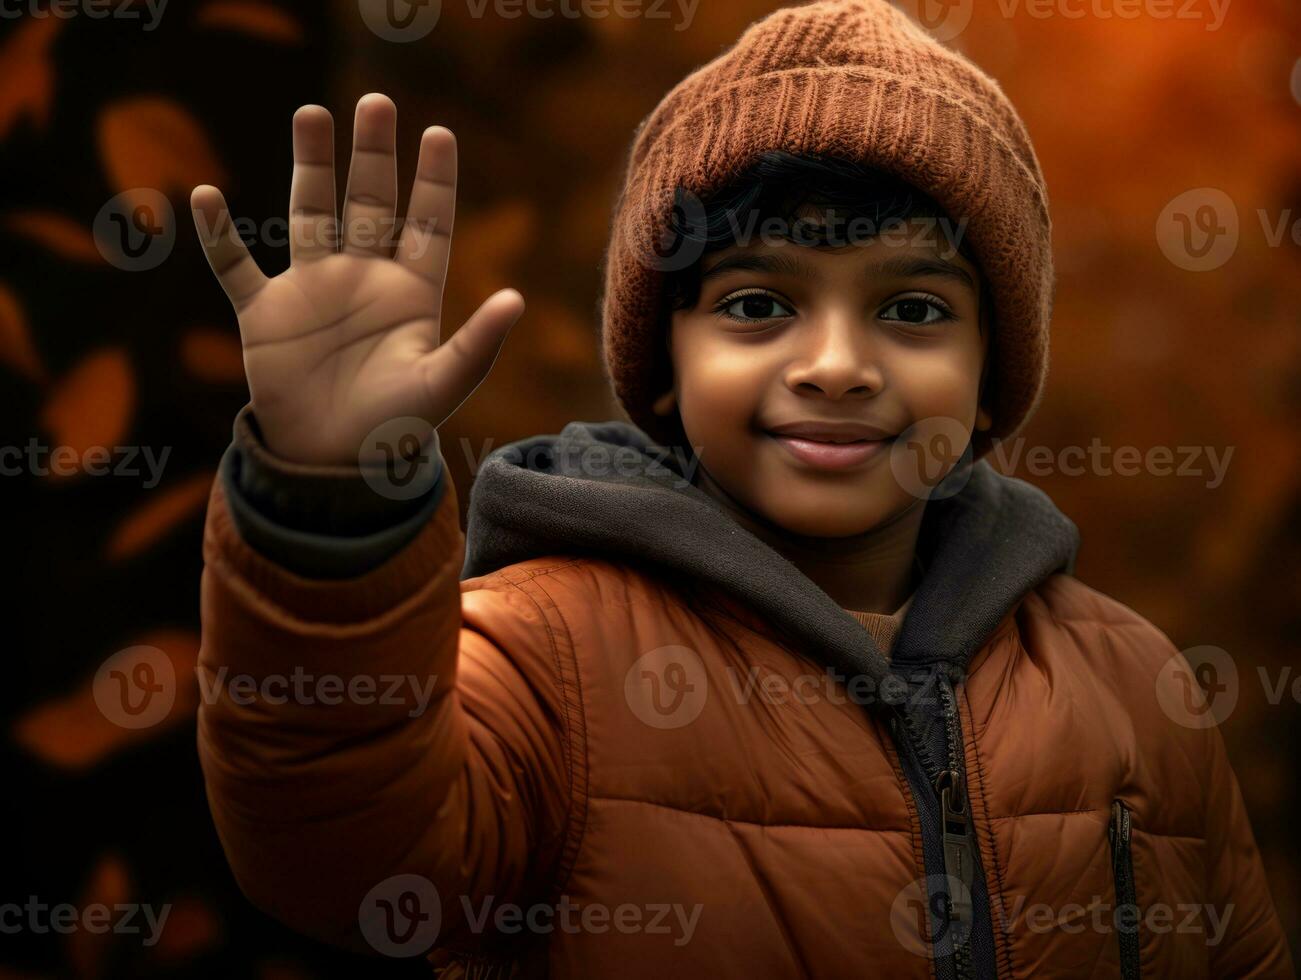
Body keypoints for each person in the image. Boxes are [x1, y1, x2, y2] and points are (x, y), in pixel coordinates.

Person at [190, 1, 1292, 976]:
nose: (833, 364)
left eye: (911, 310)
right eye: (758, 304)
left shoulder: (1133, 685)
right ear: (660, 368)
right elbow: (338, 849)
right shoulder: (545, 656)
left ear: (992, 380)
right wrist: (327, 489)